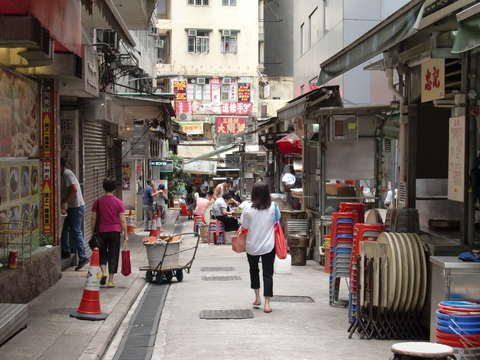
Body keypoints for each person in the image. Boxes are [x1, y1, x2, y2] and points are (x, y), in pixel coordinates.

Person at [240, 181, 280, 313]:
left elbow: (244, 226)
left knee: (254, 271)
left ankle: (257, 297)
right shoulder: (273, 207)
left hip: (252, 245)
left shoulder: (247, 208)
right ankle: (267, 303)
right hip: (269, 245)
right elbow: (277, 220)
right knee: (268, 274)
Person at [91, 178, 128, 288]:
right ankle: (111, 281)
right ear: (115, 188)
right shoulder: (119, 202)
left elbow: (93, 219)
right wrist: (126, 234)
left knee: (102, 253)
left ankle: (104, 272)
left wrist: (92, 232)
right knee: (113, 254)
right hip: (115, 232)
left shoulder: (97, 202)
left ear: (103, 187)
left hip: (101, 231)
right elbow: (122, 220)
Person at [60, 158, 89, 271]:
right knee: (64, 229)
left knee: (75, 230)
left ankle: (83, 256)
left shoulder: (67, 174)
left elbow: (74, 189)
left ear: (61, 167)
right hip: (73, 207)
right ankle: (66, 250)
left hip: (76, 207)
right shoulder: (65, 174)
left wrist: (65, 201)